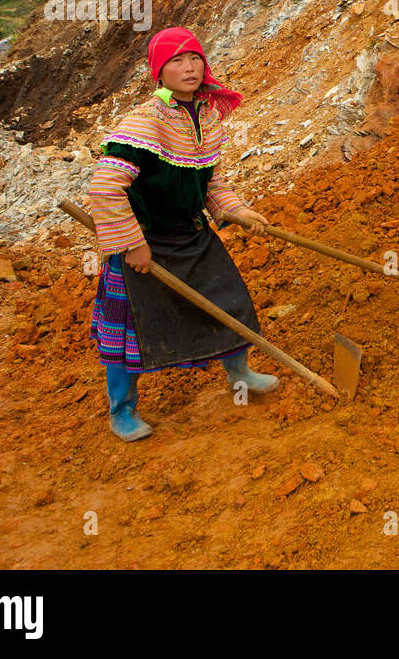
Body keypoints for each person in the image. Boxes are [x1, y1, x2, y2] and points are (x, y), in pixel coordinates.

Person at [86, 25, 277, 442]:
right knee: (128, 329)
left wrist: (239, 212)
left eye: (194, 58)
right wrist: (133, 245)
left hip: (192, 233)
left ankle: (239, 375)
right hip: (144, 241)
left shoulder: (205, 117)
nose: (188, 67)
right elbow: (104, 188)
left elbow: (210, 183)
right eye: (176, 60)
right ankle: (123, 411)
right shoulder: (143, 123)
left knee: (227, 302)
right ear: (159, 72)